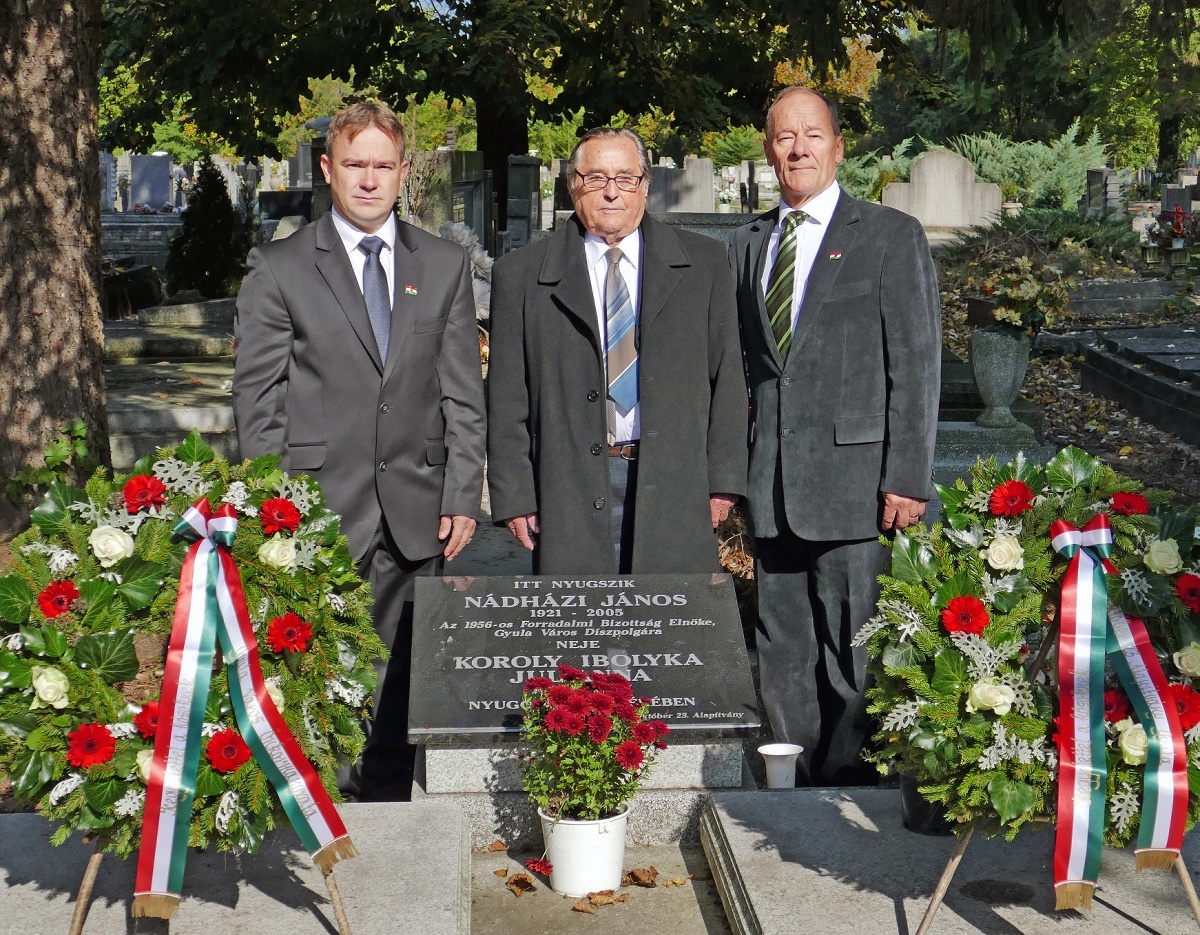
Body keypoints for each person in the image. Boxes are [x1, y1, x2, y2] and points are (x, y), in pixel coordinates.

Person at [233, 101, 486, 800]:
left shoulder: (443, 265)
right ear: (328, 169)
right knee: (323, 676)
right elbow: (258, 401)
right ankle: (328, 812)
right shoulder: (280, 268)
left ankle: (390, 813)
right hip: (315, 511)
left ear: (403, 172)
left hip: (419, 509)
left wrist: (464, 493)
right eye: (354, 164)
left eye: (383, 165)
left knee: (403, 678)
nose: (369, 180)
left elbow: (462, 392)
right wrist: (272, 505)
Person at [730, 87, 941, 785]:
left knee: (857, 656)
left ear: (839, 147)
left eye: (812, 135)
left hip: (858, 487)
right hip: (772, 484)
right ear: (768, 151)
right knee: (783, 652)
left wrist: (906, 476)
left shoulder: (889, 235)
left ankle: (852, 791)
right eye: (784, 137)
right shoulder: (747, 244)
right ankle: (789, 787)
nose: (798, 149)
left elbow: (916, 363)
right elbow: (741, 368)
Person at [487, 127, 746, 574]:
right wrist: (515, 494)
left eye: (626, 178)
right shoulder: (520, 276)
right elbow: (507, 397)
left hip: (675, 483)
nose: (611, 192)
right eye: (596, 178)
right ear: (573, 186)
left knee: (669, 615)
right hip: (565, 488)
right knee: (580, 617)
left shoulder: (704, 265)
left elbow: (728, 380)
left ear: (645, 186)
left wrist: (723, 482)